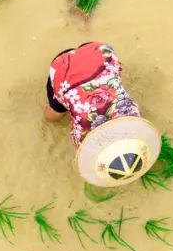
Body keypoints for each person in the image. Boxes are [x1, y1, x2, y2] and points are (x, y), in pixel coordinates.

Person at [43, 41, 160, 187]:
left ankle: (100, 79)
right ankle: (49, 116)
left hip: (101, 54)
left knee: (111, 81)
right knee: (54, 114)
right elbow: (82, 148)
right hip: (63, 71)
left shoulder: (133, 114)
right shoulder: (83, 128)